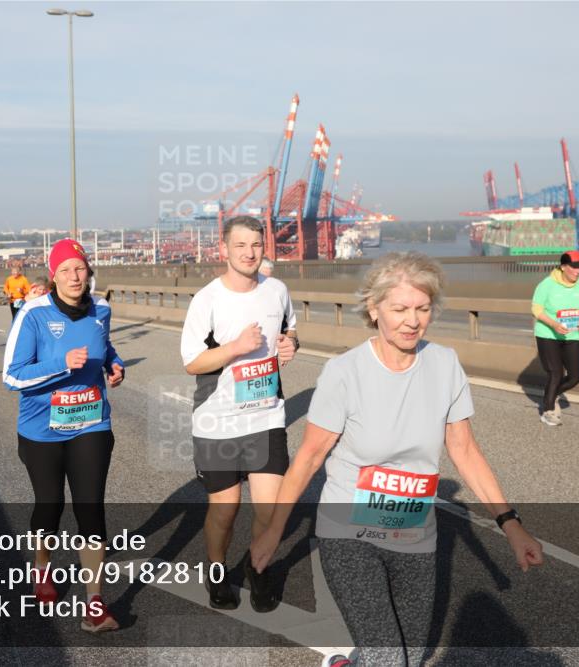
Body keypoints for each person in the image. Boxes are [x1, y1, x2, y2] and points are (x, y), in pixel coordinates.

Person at [250, 251, 544, 667]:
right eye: (400, 309)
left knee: (410, 656)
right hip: (348, 532)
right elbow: (310, 457)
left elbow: (464, 450)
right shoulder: (344, 371)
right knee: (389, 659)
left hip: (413, 533)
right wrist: (273, 530)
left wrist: (511, 524)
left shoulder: (444, 364)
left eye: (422, 308)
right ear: (374, 309)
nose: (413, 320)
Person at [2, 238, 125, 634]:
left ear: (89, 272)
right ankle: (42, 567)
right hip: (42, 430)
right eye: (66, 270)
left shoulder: (102, 308)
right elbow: (12, 376)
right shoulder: (33, 313)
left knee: (91, 508)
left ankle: (95, 603)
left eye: (80, 268)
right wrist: (60, 363)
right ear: (53, 276)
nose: (74, 276)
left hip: (91, 423)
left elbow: (104, 347)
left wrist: (115, 364)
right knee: (50, 506)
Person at [180, 215, 298, 613]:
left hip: (266, 416)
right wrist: (235, 347)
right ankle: (216, 570)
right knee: (225, 510)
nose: (249, 253)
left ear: (265, 247)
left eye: (256, 245)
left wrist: (290, 345)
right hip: (218, 421)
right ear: (224, 249)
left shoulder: (277, 290)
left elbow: (290, 330)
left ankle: (257, 567)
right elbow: (192, 362)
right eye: (240, 245)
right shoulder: (207, 299)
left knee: (270, 508)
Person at [531, 250, 579, 426]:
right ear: (563, 267)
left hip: (572, 334)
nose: (578, 271)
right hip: (548, 334)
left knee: (576, 375)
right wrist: (553, 324)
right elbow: (536, 309)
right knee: (556, 373)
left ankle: (553, 393)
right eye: (574, 267)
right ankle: (548, 411)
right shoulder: (547, 284)